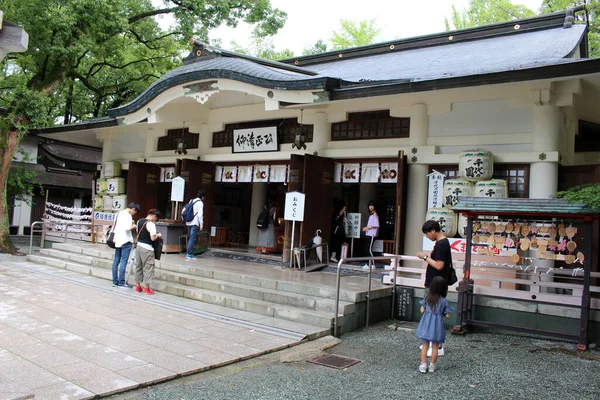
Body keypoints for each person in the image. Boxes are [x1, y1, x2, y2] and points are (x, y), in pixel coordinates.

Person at [417, 219, 454, 356]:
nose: (427, 236)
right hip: (437, 284)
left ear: (433, 231)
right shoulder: (442, 243)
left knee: (432, 314)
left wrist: (424, 257)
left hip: (435, 285)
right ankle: (434, 344)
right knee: (434, 314)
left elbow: (439, 265)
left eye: (427, 233)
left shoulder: (442, 244)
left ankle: (435, 345)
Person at [415, 276, 453, 373]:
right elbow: (448, 315)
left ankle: (423, 365)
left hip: (426, 324)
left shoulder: (427, 298)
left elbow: (422, 310)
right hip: (437, 326)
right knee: (435, 346)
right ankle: (432, 365)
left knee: (425, 346)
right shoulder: (444, 301)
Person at [111, 202, 139, 288]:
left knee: (116, 261)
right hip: (126, 240)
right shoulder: (128, 216)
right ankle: (122, 282)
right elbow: (127, 228)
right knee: (124, 261)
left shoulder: (118, 213)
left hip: (117, 240)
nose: (134, 214)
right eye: (135, 212)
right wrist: (134, 226)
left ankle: (115, 281)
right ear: (133, 209)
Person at [134, 209, 162, 295]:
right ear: (154, 216)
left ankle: (138, 286)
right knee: (148, 267)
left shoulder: (139, 221)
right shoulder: (151, 224)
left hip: (138, 246)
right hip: (147, 249)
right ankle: (147, 288)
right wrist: (158, 235)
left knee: (138, 266)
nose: (155, 220)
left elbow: (137, 232)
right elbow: (152, 238)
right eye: (156, 218)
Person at [186, 189, 205, 260]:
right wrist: (201, 225)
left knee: (190, 237)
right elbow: (200, 215)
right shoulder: (200, 203)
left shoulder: (191, 200)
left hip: (188, 221)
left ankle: (189, 253)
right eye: (204, 197)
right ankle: (189, 254)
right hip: (195, 222)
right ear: (202, 196)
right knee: (192, 238)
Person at [361, 200, 379, 270]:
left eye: (372, 206)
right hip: (369, 234)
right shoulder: (372, 214)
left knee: (369, 249)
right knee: (367, 249)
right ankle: (369, 264)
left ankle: (373, 264)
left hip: (372, 234)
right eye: (370, 206)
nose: (371, 207)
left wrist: (367, 227)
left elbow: (376, 225)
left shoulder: (375, 214)